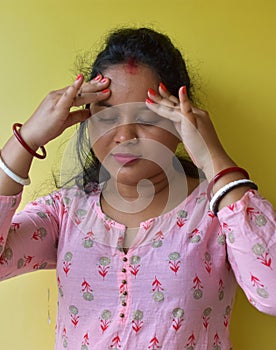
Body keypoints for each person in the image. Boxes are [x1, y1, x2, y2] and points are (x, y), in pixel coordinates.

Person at [0, 27, 275, 350]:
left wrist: (213, 157)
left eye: (146, 117)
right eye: (107, 117)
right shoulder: (65, 213)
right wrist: (26, 141)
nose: (124, 135)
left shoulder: (219, 212)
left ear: (181, 121)